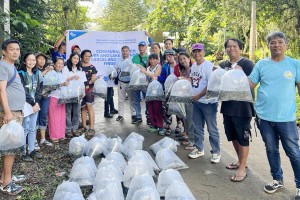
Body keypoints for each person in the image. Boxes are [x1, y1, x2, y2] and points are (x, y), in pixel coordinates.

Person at [248, 31, 300, 199]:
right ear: (268, 45)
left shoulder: (294, 64)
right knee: (271, 150)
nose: (276, 45)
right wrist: (232, 78)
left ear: (285, 45)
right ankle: (277, 179)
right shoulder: (261, 64)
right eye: (272, 42)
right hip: (264, 118)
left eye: (279, 42)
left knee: (293, 152)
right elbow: (249, 85)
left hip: (287, 119)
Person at [219, 38, 255, 181]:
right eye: (228, 46)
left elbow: (253, 83)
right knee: (233, 136)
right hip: (227, 107)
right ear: (226, 49)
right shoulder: (223, 65)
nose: (231, 49)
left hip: (243, 108)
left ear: (240, 48)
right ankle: (240, 161)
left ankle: (242, 168)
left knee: (243, 137)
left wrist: (242, 75)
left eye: (234, 46)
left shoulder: (247, 64)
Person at [0, 39, 26, 195]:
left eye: (17, 49)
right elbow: (1, 90)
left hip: (15, 111)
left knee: (11, 147)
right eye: (12, 49)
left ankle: (5, 176)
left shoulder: (11, 66)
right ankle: (6, 183)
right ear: (4, 51)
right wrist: (8, 112)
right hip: (10, 113)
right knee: (9, 148)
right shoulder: (2, 65)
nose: (16, 52)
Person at [188, 43, 221, 164]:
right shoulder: (194, 66)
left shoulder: (208, 66)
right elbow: (193, 81)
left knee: (212, 128)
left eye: (199, 51)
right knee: (197, 127)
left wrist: (198, 95)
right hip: (196, 102)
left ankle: (216, 152)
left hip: (208, 102)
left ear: (204, 51)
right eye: (194, 51)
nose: (197, 53)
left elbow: (211, 85)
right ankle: (199, 148)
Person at [19, 52, 43, 162]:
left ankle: (32, 150)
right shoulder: (20, 73)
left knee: (33, 128)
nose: (31, 62)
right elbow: (23, 91)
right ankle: (23, 152)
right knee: (25, 128)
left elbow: (39, 89)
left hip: (35, 104)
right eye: (29, 60)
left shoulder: (37, 72)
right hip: (25, 103)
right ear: (24, 61)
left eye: (34, 60)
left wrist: (37, 102)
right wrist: (33, 103)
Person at [62, 53, 86, 138]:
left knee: (76, 111)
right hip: (68, 93)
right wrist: (72, 77)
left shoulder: (80, 69)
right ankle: (68, 129)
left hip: (78, 93)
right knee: (68, 111)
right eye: (74, 58)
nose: (76, 60)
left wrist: (84, 92)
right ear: (70, 58)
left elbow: (83, 81)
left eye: (77, 58)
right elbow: (63, 80)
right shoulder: (65, 68)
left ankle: (75, 129)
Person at [157, 49, 180, 135]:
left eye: (170, 55)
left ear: (174, 56)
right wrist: (157, 78)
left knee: (178, 109)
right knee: (167, 109)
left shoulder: (179, 65)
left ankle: (178, 125)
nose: (168, 57)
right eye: (167, 56)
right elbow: (162, 78)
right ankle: (168, 126)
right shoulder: (165, 67)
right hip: (168, 91)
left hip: (178, 91)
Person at [140, 53, 164, 135]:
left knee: (157, 109)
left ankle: (160, 126)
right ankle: (154, 125)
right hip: (149, 91)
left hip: (157, 91)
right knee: (150, 109)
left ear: (157, 60)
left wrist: (145, 72)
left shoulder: (159, 66)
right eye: (151, 59)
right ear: (149, 60)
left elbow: (155, 76)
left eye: (154, 59)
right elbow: (147, 79)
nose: (153, 61)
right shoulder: (148, 68)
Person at [175, 52, 194, 148]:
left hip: (192, 97)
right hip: (184, 97)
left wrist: (183, 79)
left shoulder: (193, 69)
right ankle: (187, 135)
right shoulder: (182, 70)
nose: (182, 61)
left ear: (189, 58)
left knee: (191, 119)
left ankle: (192, 141)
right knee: (185, 118)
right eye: (180, 59)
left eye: (184, 59)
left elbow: (193, 81)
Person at [48, 57, 69, 142]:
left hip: (62, 97)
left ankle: (61, 134)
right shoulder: (51, 73)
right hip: (53, 97)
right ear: (54, 64)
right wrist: (62, 84)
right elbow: (50, 86)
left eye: (62, 64)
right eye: (58, 63)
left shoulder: (61, 74)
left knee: (61, 117)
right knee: (54, 117)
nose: (60, 65)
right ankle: (54, 136)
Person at [36, 52, 53, 149]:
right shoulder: (34, 70)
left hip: (46, 96)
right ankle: (32, 140)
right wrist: (46, 70)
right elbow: (38, 77)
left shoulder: (48, 70)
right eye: (39, 59)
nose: (42, 60)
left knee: (43, 115)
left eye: (43, 59)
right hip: (36, 97)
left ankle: (42, 138)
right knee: (34, 117)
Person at [115, 46, 136, 122]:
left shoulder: (132, 60)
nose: (125, 52)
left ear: (129, 52)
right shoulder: (118, 61)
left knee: (132, 100)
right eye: (123, 51)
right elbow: (116, 70)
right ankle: (120, 115)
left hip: (130, 83)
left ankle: (134, 115)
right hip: (121, 83)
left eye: (126, 51)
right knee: (121, 100)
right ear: (121, 52)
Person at [80, 50, 97, 137]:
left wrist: (89, 84)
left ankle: (92, 127)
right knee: (83, 108)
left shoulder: (92, 67)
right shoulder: (78, 66)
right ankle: (84, 126)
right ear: (82, 56)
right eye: (86, 56)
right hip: (79, 90)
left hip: (89, 90)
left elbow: (93, 78)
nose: (87, 58)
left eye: (89, 56)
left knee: (89, 107)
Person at [132, 41, 149, 124]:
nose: (141, 48)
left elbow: (151, 69)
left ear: (146, 47)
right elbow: (131, 69)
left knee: (147, 100)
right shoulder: (134, 57)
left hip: (145, 82)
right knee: (136, 100)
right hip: (136, 82)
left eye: (143, 46)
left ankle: (148, 116)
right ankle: (138, 116)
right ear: (138, 48)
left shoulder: (149, 57)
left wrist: (142, 68)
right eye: (140, 46)